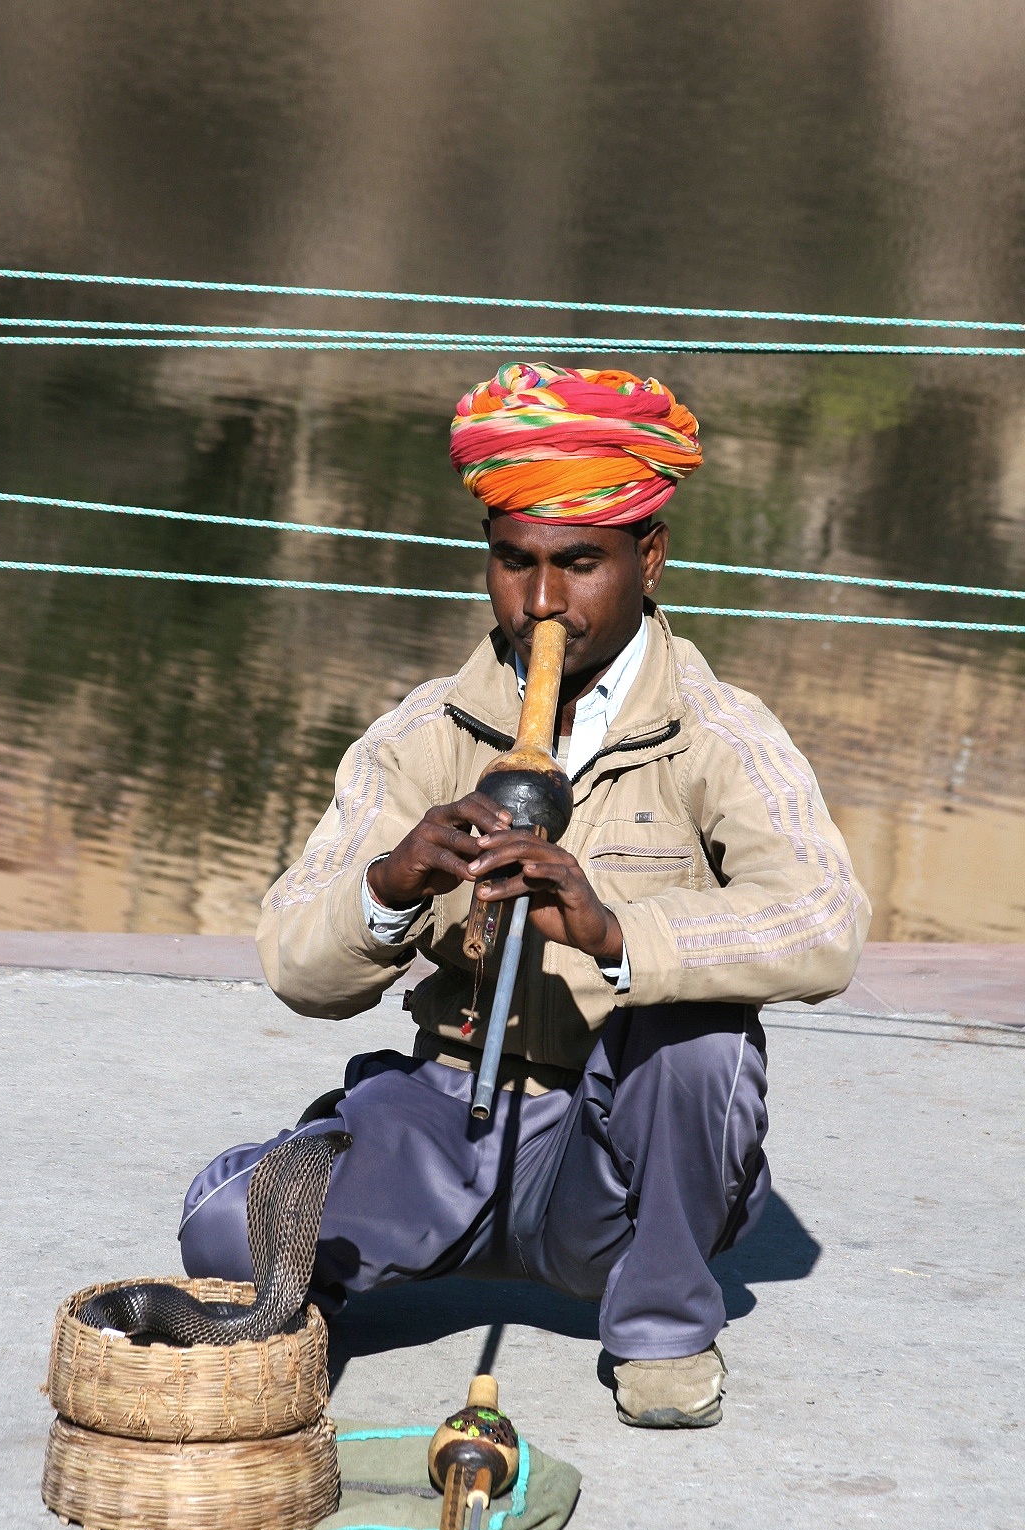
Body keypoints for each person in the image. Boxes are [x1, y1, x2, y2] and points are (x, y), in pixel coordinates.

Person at [179, 362, 870, 1429]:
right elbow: (293, 965)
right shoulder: (422, 733)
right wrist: (392, 881)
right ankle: (326, 1181)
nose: (542, 603)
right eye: (515, 565)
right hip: (449, 1111)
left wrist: (617, 932)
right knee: (229, 1236)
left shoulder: (721, 733)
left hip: (612, 1156)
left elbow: (826, 923)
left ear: (649, 558)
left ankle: (664, 1327)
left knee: (701, 1041)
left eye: (578, 564)